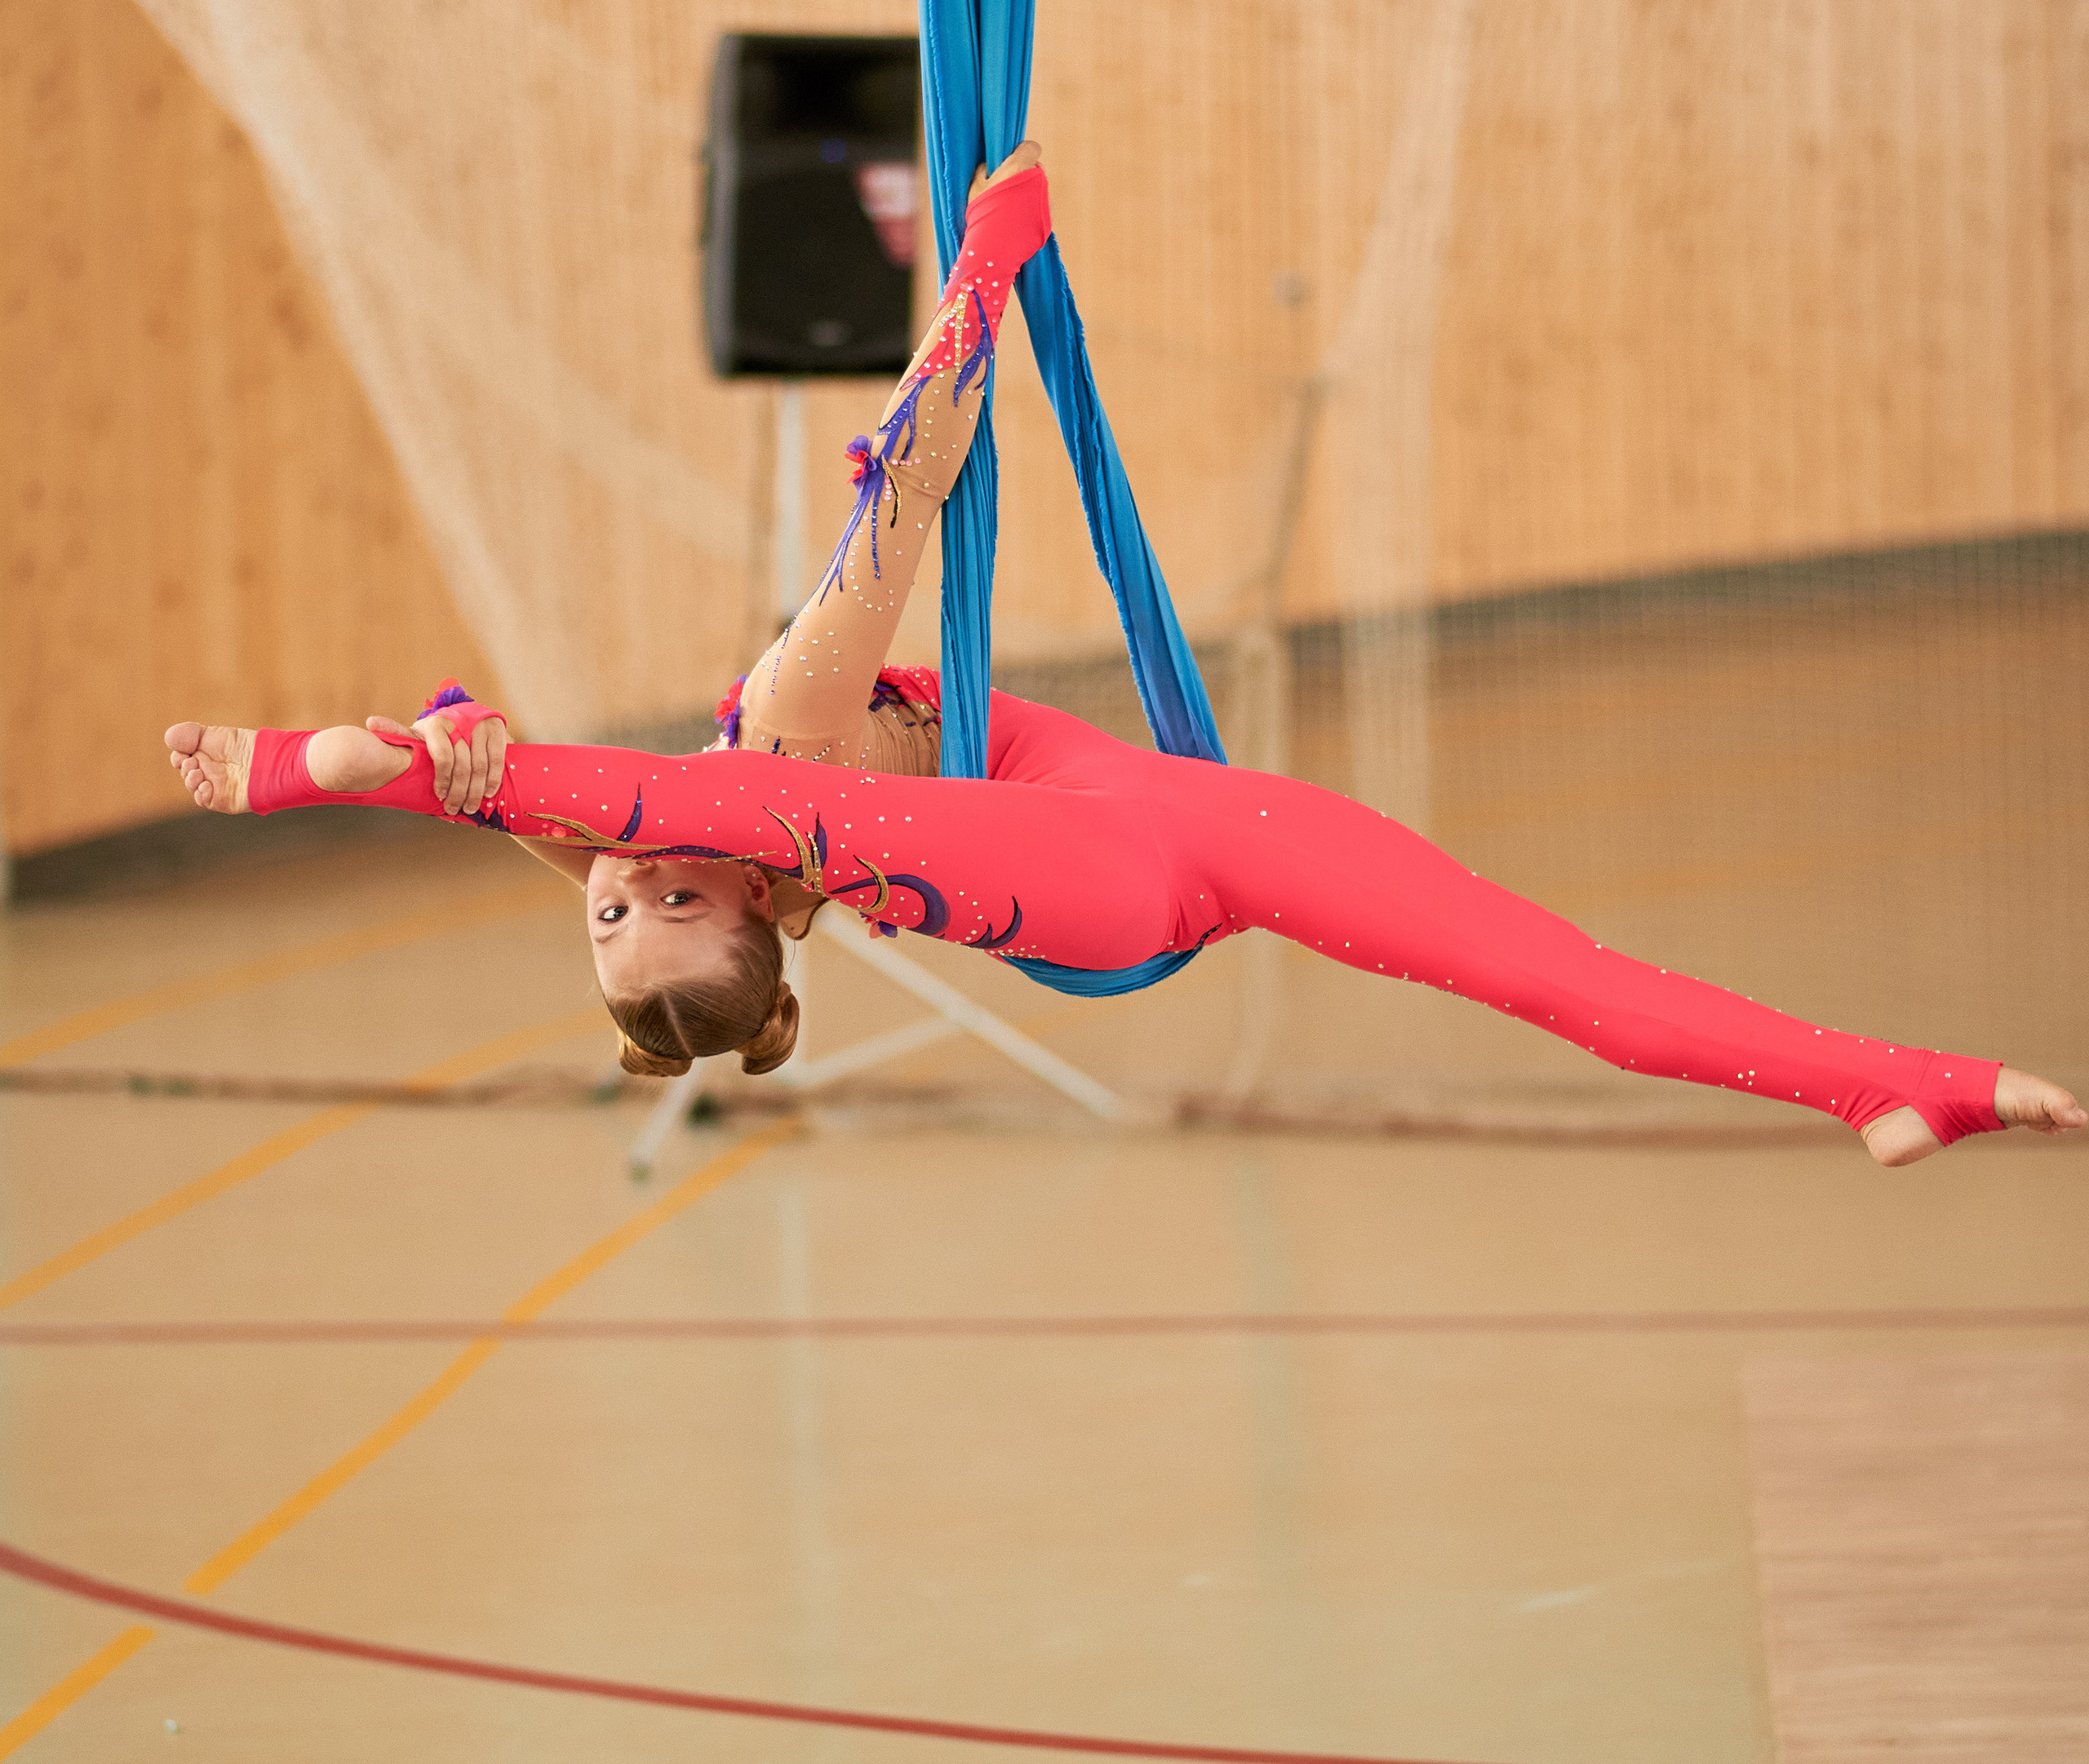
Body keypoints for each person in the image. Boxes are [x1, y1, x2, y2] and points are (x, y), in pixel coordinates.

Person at [166, 146, 2083, 1168]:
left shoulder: (707, 825)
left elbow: (563, 812)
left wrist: (433, 759)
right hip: (1118, 877)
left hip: (1155, 824)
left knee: (1559, 977)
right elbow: (892, 509)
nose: (632, 885)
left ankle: (1886, 1083)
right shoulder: (777, 779)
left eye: (612, 911)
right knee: (739, 767)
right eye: (673, 902)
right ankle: (1889, 1080)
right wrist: (983, 277)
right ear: (751, 900)